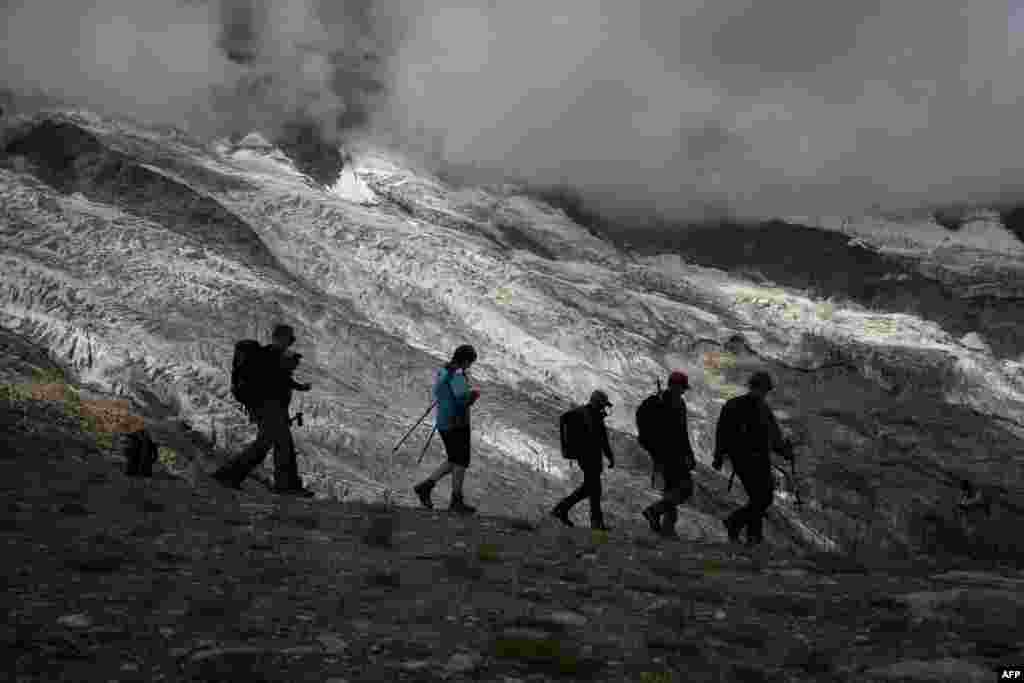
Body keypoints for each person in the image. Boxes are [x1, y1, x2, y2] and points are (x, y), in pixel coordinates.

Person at [213, 324, 314, 496]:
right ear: (280, 338)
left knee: (267, 444)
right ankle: (285, 486)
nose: (290, 343)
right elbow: (274, 380)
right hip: (269, 408)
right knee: (280, 444)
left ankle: (230, 476)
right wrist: (287, 368)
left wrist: (298, 386)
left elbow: (279, 379)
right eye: (289, 339)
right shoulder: (269, 356)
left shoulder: (269, 356)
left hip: (267, 408)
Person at [712, 371, 793, 546]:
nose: (763, 393)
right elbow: (723, 432)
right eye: (763, 389)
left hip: (752, 460)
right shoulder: (748, 407)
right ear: (759, 388)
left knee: (759, 498)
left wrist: (784, 451)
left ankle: (752, 536)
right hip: (747, 460)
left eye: (764, 390)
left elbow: (773, 437)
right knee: (762, 498)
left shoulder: (748, 407)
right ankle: (736, 524)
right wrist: (718, 455)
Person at [413, 345, 481, 514]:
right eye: (469, 363)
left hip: (443, 422)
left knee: (454, 459)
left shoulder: (444, 371)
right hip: (457, 424)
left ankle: (426, 486)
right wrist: (473, 395)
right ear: (465, 360)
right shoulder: (457, 375)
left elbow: (443, 393)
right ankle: (456, 501)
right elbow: (463, 401)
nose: (469, 366)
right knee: (461, 461)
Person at [640, 371, 697, 539]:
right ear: (675, 386)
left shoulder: (675, 402)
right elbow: (680, 433)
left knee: (671, 491)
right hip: (669, 455)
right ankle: (654, 511)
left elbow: (682, 432)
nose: (683, 391)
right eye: (682, 388)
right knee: (685, 489)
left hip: (669, 454)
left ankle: (667, 529)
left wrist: (689, 454)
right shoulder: (662, 402)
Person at [550, 390, 616, 531]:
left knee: (591, 488)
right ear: (597, 402)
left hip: (588, 457)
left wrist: (608, 455)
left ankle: (562, 510)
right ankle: (594, 522)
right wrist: (609, 455)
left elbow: (601, 438)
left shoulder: (588, 414)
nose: (604, 408)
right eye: (603, 404)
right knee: (594, 488)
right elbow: (602, 439)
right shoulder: (590, 415)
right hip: (589, 458)